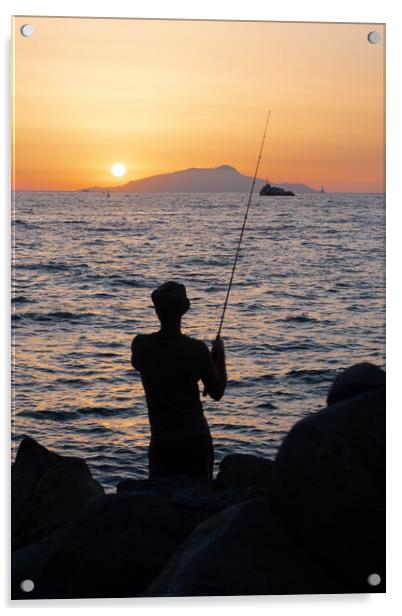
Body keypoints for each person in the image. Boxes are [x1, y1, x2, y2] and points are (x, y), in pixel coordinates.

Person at [131, 281, 227, 480]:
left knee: (161, 500)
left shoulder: (140, 345)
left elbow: (138, 364)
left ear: (156, 309)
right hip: (194, 439)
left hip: (161, 441)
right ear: (185, 308)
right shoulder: (197, 350)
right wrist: (220, 355)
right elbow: (217, 392)